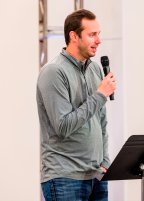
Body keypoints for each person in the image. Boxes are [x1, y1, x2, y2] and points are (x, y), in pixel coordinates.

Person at [37, 9, 116, 201]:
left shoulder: (95, 69)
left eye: (99, 34)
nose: (98, 40)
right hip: (65, 177)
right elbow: (63, 126)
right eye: (92, 35)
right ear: (74, 36)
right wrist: (99, 95)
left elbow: (101, 121)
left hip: (97, 174)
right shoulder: (54, 72)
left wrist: (105, 161)